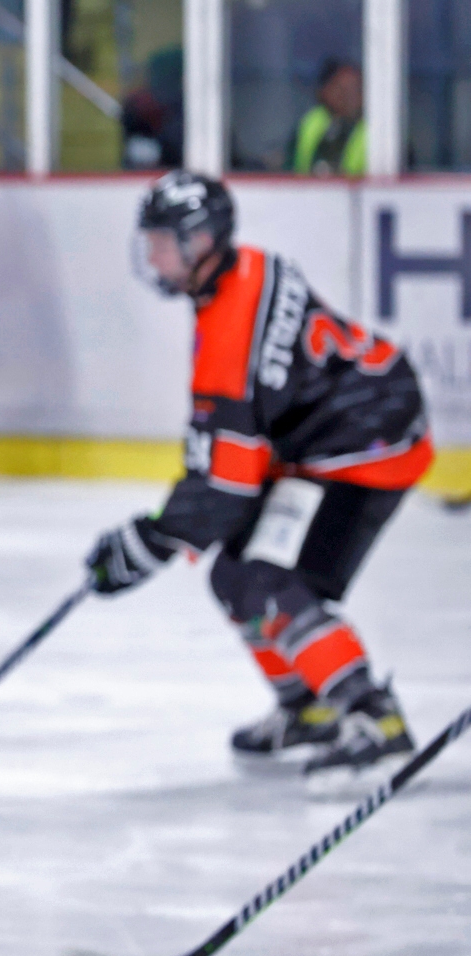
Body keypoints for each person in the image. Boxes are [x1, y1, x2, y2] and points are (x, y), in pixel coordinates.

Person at [87, 171, 431, 778]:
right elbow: (234, 462)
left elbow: (227, 485)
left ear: (202, 241)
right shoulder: (243, 271)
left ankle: (371, 714)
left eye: (164, 243)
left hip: (368, 443)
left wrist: (151, 540)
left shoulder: (231, 327)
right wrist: (165, 531)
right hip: (336, 431)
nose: (153, 257)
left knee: (268, 580)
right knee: (233, 574)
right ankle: (309, 708)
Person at [289, 58, 365, 177]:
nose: (347, 97)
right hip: (307, 187)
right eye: (341, 89)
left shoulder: (375, 128)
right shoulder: (312, 121)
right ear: (324, 90)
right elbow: (289, 165)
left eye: (354, 90)